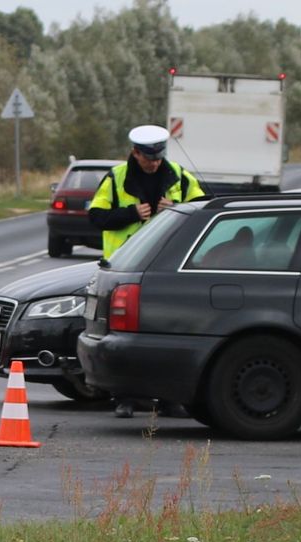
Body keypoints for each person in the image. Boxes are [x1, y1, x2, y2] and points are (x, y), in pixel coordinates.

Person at [89, 124, 205, 419]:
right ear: (135, 153)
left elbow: (205, 207)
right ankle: (124, 397)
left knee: (168, 335)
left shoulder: (178, 175)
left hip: (168, 267)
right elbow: (96, 216)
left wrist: (178, 207)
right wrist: (129, 214)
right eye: (148, 158)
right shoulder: (116, 179)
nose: (154, 164)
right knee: (124, 339)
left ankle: (168, 399)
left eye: (158, 158)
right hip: (125, 268)